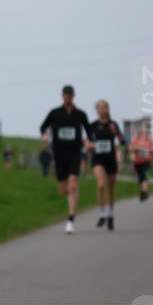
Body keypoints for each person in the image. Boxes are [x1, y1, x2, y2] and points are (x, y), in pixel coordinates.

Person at [39, 85, 93, 235]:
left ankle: (71, 221)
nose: (68, 97)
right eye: (66, 95)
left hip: (75, 152)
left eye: (70, 95)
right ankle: (68, 201)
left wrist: (89, 141)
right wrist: (44, 134)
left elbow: (89, 132)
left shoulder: (80, 114)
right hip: (59, 153)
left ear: (74, 96)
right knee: (63, 189)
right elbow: (43, 126)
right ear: (62, 96)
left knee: (73, 186)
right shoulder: (55, 113)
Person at [87, 100, 125, 230]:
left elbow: (122, 141)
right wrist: (89, 145)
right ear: (96, 110)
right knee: (101, 185)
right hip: (98, 159)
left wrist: (116, 133)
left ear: (108, 109)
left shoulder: (113, 124)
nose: (102, 110)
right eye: (99, 107)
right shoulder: (92, 125)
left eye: (104, 107)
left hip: (110, 159)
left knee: (111, 189)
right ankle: (102, 212)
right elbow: (86, 142)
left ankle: (110, 214)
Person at [129, 124, 153, 201]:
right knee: (140, 178)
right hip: (137, 161)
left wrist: (151, 156)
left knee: (144, 176)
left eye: (144, 129)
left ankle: (145, 192)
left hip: (146, 161)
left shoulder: (149, 140)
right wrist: (136, 148)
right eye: (141, 128)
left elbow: (151, 150)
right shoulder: (135, 139)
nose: (142, 130)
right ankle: (142, 192)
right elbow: (131, 148)